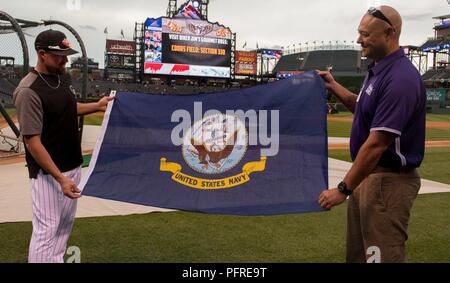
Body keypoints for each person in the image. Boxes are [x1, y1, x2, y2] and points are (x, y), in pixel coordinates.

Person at [317, 6, 426, 263]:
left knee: (380, 258)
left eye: (365, 34)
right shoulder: (380, 69)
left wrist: (342, 189)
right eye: (359, 33)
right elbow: (364, 108)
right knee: (359, 257)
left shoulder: (401, 78)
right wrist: (334, 86)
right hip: (369, 178)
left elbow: (377, 144)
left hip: (388, 183)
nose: (359, 40)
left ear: (389, 33)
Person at [13, 30, 114, 263]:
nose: (66, 60)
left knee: (63, 228)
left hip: (72, 166)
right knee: (46, 230)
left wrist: (97, 106)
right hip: (49, 174)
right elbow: (32, 142)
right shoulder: (29, 90)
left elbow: (68, 108)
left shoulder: (62, 77)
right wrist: (60, 178)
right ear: (42, 54)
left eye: (67, 54)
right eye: (60, 55)